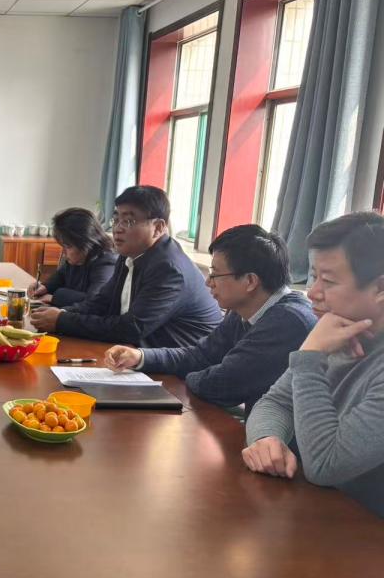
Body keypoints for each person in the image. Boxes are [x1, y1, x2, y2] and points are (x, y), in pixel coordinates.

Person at [242, 212, 384, 516]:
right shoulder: (338, 330)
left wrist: (309, 359)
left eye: (328, 281)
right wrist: (267, 438)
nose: (312, 292)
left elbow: (325, 464)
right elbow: (276, 402)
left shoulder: (325, 340)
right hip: (324, 512)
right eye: (314, 275)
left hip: (366, 532)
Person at [105, 225, 316, 413]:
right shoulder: (243, 308)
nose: (208, 282)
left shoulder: (288, 321)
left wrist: (189, 377)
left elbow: (222, 385)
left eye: (215, 274)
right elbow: (200, 356)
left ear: (250, 281)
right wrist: (140, 357)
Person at [30, 186, 222, 348]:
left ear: (157, 227)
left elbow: (132, 328)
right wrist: (62, 314)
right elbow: (102, 302)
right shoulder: (130, 254)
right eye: (116, 219)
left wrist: (62, 321)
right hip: (139, 352)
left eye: (128, 221)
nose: (118, 228)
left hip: (179, 367)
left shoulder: (169, 269)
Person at [29, 207, 116, 307]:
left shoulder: (106, 263)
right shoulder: (79, 256)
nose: (63, 252)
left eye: (67, 246)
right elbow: (61, 275)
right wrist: (45, 287)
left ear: (85, 241)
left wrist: (55, 297)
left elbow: (95, 301)